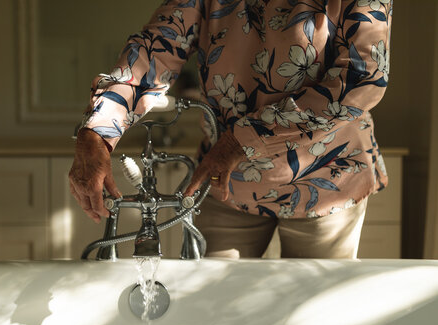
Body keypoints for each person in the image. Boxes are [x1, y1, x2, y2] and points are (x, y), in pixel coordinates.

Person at [69, 0, 393, 259]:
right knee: (212, 315)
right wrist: (97, 131)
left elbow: (363, 79)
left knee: (314, 323)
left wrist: (242, 142)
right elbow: (158, 47)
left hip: (327, 180)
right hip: (226, 184)